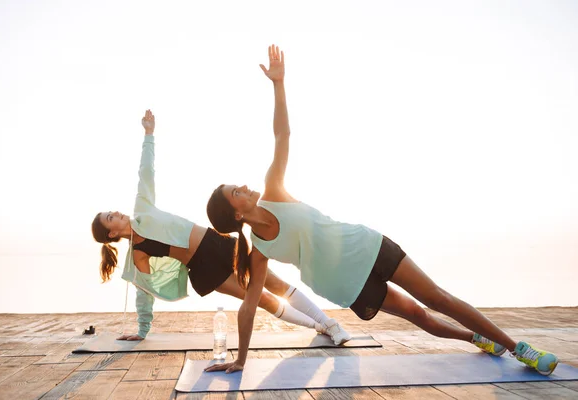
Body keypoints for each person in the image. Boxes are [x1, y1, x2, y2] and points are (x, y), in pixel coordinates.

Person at [205, 44, 559, 375]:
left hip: (365, 246)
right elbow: (249, 306)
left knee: (436, 298)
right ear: (236, 214)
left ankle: (518, 348)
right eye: (236, 191)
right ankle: (476, 338)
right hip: (345, 284)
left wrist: (279, 85)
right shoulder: (259, 252)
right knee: (420, 316)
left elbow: (282, 136)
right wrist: (240, 360)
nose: (245, 186)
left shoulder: (274, 190)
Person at [91, 109, 350, 343]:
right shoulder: (138, 253)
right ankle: (318, 327)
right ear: (112, 234)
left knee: (276, 284)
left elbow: (146, 172)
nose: (116, 213)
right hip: (203, 269)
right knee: (260, 299)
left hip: (217, 242)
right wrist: (142, 329)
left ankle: (329, 323)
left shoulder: (143, 208)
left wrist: (149, 134)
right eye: (110, 218)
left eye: (111, 212)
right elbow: (144, 291)